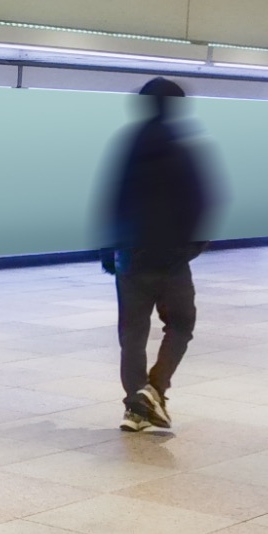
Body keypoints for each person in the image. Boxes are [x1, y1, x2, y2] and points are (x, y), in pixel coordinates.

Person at [98, 77, 218, 433]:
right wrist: (191, 248)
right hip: (171, 261)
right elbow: (201, 202)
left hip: (131, 259)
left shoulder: (130, 145)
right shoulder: (184, 148)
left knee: (132, 334)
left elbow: (114, 199)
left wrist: (108, 249)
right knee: (181, 325)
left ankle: (136, 406)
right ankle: (154, 391)